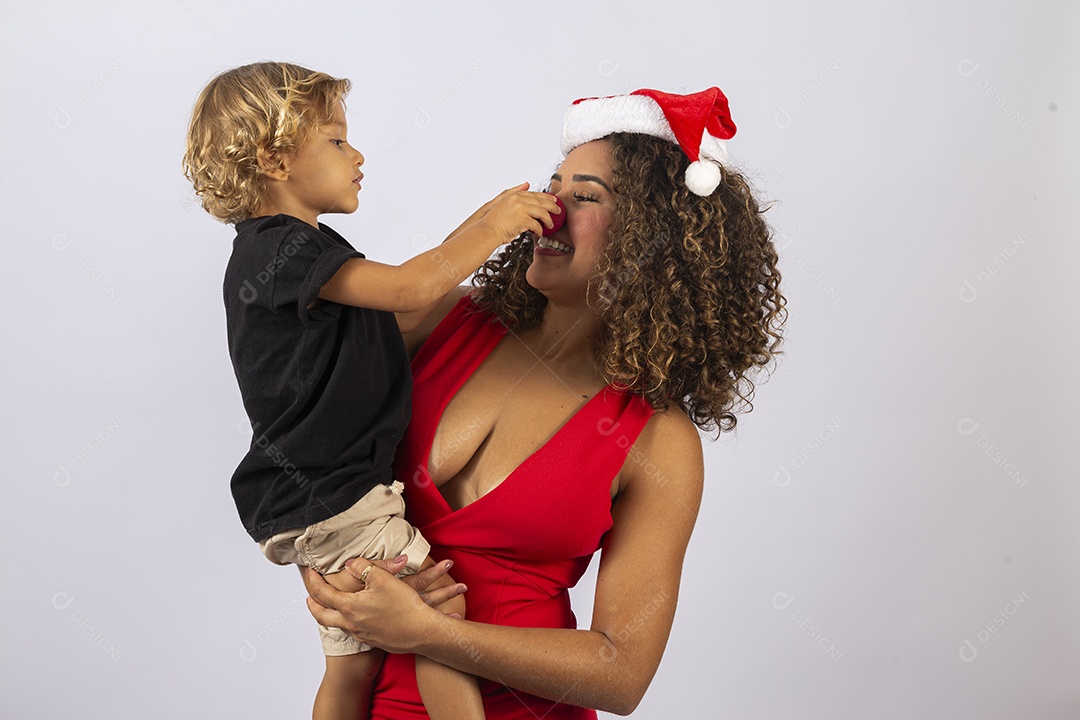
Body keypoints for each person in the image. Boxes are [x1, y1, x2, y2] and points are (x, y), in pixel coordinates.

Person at [301, 86, 787, 718]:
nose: (549, 210)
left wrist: (430, 633)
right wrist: (323, 565)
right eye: (552, 186)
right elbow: (294, 407)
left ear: (654, 239)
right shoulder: (436, 320)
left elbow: (622, 673)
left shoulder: (657, 439)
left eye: (585, 196)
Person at [181, 61, 560, 720]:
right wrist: (495, 228)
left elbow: (414, 296)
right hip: (336, 496)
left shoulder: (294, 249)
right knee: (436, 620)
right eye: (336, 140)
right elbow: (411, 289)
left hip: (311, 499)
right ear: (273, 159)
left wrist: (485, 218)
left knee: (353, 666)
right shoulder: (281, 252)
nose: (357, 155)